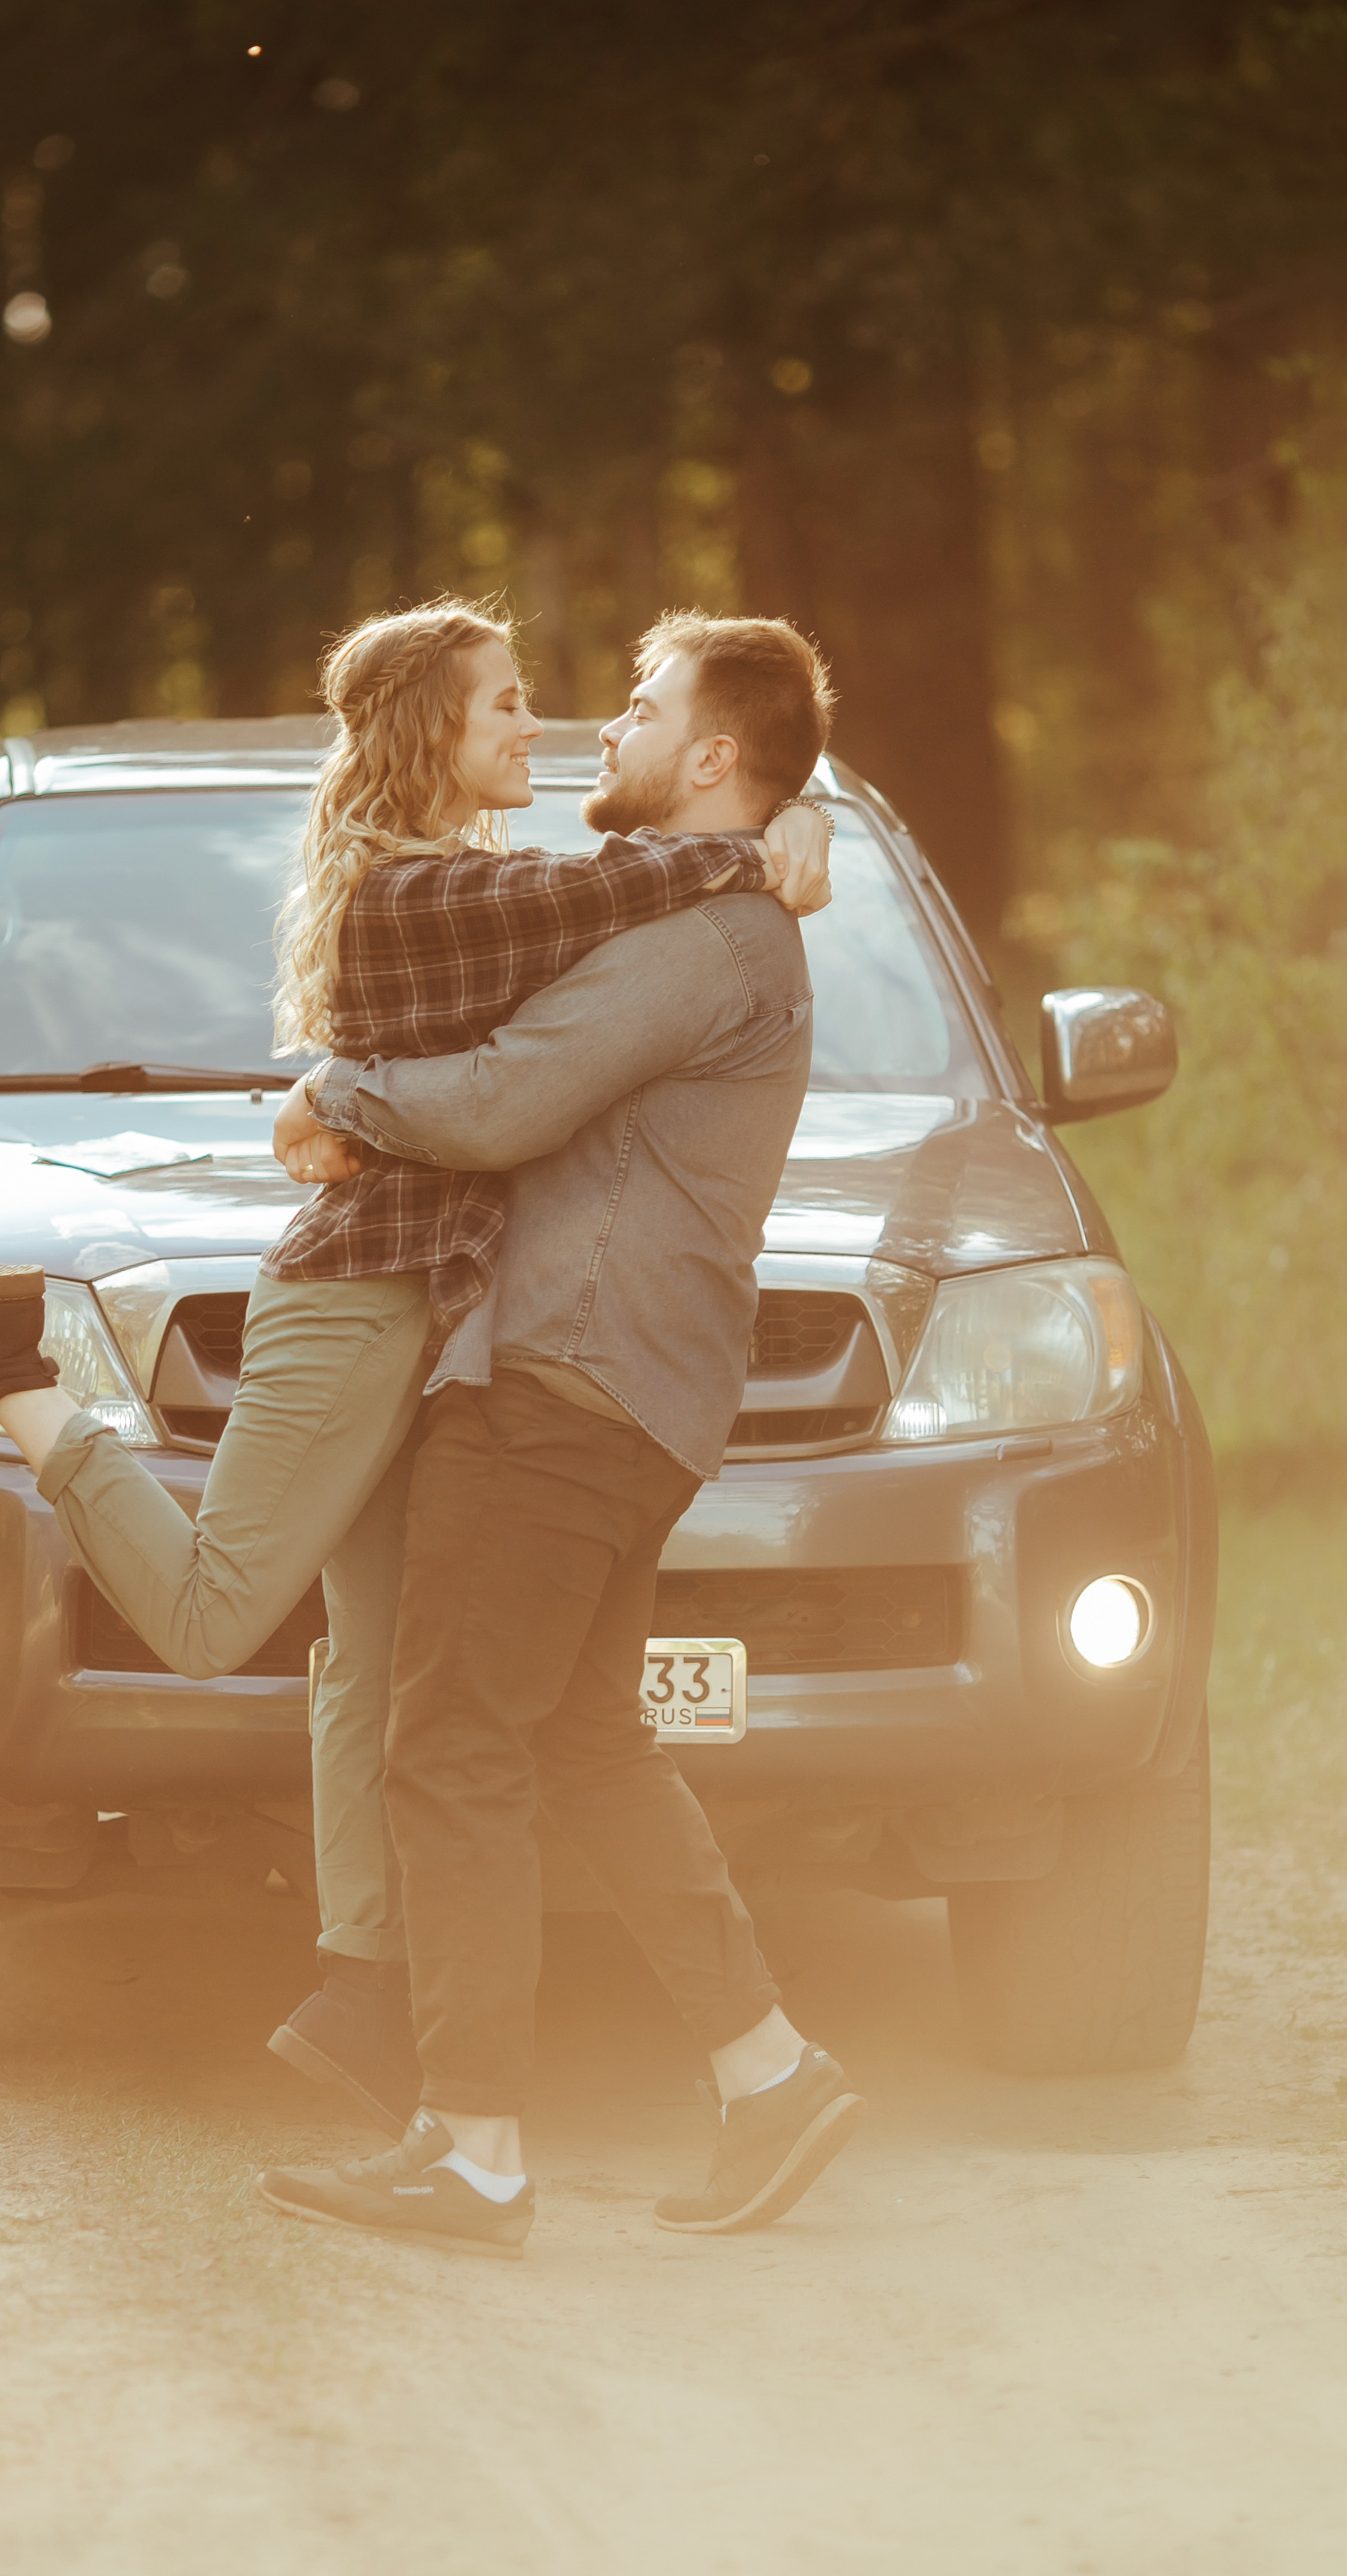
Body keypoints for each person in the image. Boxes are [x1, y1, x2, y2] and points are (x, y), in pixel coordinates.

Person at [0, 599, 834, 2137]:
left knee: (373, 1667)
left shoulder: (516, 885)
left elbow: (612, 901)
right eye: (507, 703)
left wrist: (791, 815)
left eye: (572, 702)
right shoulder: (419, 897)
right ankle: (13, 1371)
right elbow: (559, 992)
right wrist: (750, 841)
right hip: (363, 1295)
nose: (545, 725)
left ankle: (370, 1993)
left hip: (449, 1325)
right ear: (435, 729)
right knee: (222, 1612)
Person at [257, 614, 864, 2261]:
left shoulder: (707, 939)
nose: (608, 727)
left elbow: (516, 1095)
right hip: (631, 1388)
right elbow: (505, 967)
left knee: (446, 1740)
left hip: (561, 1386)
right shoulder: (721, 907)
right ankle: (770, 2069)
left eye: (644, 710)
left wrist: (337, 1096)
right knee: (585, 1741)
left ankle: (474, 2149)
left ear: (717, 759)